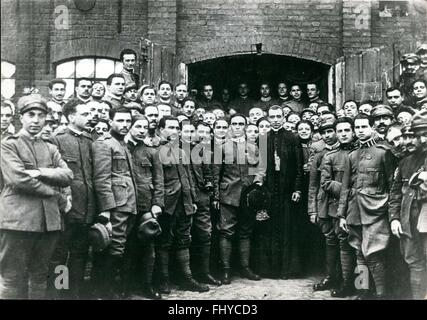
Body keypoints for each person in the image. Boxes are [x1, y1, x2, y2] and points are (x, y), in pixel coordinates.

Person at [0, 94, 73, 299]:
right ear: (21, 118)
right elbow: (18, 179)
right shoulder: (8, 144)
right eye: (30, 115)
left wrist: (41, 171)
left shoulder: (50, 147)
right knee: (11, 276)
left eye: (41, 116)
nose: (36, 120)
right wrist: (55, 196)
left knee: (40, 275)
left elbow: (67, 175)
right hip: (17, 220)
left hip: (48, 221)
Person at [338, 113, 395, 299]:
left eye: (364, 127)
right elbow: (345, 187)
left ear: (372, 127)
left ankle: (381, 293)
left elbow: (392, 185)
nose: (360, 131)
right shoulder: (352, 155)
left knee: (373, 253)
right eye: (357, 128)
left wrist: (387, 208)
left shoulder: (383, 152)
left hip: (376, 210)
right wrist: (341, 214)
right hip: (354, 211)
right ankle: (362, 290)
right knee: (358, 251)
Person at [48, 99, 96, 299]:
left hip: (86, 208)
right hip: (66, 208)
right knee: (60, 255)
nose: (90, 117)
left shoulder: (89, 140)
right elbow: (53, 175)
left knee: (80, 254)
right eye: (84, 114)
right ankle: (59, 294)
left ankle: (74, 294)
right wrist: (62, 201)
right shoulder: (56, 139)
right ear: (70, 117)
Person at [155, 116, 209, 293]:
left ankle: (186, 278)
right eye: (169, 127)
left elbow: (188, 178)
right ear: (160, 129)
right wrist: (159, 203)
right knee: (164, 240)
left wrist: (192, 199)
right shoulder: (155, 150)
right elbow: (157, 181)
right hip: (167, 203)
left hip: (184, 201)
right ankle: (163, 279)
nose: (174, 131)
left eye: (176, 128)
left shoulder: (181, 151)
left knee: (184, 239)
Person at [212, 113, 265, 284]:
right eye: (234, 124)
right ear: (229, 126)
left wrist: (256, 185)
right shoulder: (221, 147)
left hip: (248, 197)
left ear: (245, 125)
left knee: (245, 232)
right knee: (226, 231)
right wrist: (216, 195)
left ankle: (245, 268)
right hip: (228, 195)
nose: (237, 127)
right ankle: (226, 270)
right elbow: (216, 174)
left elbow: (259, 170)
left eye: (241, 124)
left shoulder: (253, 147)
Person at [91, 107, 137, 299]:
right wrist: (107, 210)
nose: (125, 125)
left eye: (128, 121)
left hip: (128, 203)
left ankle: (108, 289)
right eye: (120, 120)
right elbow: (101, 179)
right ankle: (106, 290)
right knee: (114, 246)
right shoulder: (104, 144)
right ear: (110, 121)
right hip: (116, 205)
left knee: (119, 245)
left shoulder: (123, 143)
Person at [253, 105, 303, 279]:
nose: (275, 120)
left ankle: (286, 270)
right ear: (268, 118)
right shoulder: (262, 138)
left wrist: (297, 188)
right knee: (268, 228)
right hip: (268, 191)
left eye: (278, 116)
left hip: (287, 190)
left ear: (283, 117)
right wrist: (259, 187)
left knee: (287, 229)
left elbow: (298, 167)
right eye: (272, 117)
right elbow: (258, 166)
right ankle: (269, 270)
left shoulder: (292, 138)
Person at [124, 116, 164, 299]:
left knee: (148, 248)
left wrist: (157, 204)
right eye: (137, 126)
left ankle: (146, 285)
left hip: (145, 206)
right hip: (124, 205)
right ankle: (125, 285)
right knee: (124, 247)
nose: (141, 130)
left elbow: (158, 180)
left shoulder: (151, 152)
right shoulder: (121, 148)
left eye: (145, 127)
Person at [389, 111, 427, 299]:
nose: (410, 140)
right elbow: (395, 194)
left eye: (415, 136)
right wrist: (395, 219)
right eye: (406, 136)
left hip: (425, 220)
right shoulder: (404, 163)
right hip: (408, 221)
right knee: (414, 262)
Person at [319, 117, 357, 297]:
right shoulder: (330, 156)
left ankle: (360, 284)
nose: (343, 134)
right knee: (341, 243)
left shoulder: (361, 152)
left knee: (360, 248)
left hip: (361, 207)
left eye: (347, 130)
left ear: (353, 131)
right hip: (338, 208)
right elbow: (325, 183)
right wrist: (348, 191)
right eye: (340, 131)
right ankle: (343, 281)